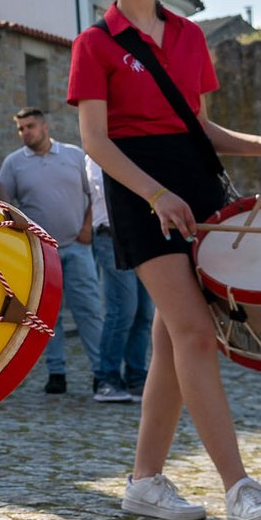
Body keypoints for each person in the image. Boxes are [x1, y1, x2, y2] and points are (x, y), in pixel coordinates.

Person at [70, 0, 261, 520]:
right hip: (140, 190)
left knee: (171, 341)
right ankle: (239, 487)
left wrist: (259, 145)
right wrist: (154, 195)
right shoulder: (95, 44)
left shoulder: (191, 38)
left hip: (197, 186)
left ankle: (144, 482)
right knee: (197, 333)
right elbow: (94, 140)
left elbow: (199, 128)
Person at [0, 108, 108, 398]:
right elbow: (4, 204)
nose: (26, 133)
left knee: (89, 311)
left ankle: (102, 373)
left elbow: (93, 194)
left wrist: (87, 228)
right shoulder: (14, 163)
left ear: (46, 126)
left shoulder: (73, 155)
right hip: (41, 254)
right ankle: (56, 373)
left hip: (77, 247)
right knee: (48, 316)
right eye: (21, 129)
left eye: (30, 126)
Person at [87, 155, 152, 400]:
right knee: (123, 309)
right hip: (111, 237)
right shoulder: (97, 153)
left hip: (142, 234)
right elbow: (110, 188)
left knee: (144, 312)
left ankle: (136, 377)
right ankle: (107, 378)